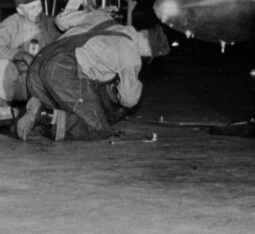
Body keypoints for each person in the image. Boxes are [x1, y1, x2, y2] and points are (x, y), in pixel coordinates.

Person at [16, 9, 170, 141]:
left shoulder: (100, 16)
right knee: (98, 129)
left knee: (66, 111)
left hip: (37, 67)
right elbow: (129, 99)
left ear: (143, 32)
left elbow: (60, 19)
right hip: (62, 72)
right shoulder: (131, 53)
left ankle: (33, 110)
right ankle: (42, 114)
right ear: (149, 51)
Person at [0, 0, 59, 104]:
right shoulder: (10, 24)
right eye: (32, 8)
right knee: (0, 63)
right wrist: (21, 55)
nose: (38, 11)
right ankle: (2, 103)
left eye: (39, 5)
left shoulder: (51, 23)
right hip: (20, 83)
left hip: (44, 82)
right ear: (20, 11)